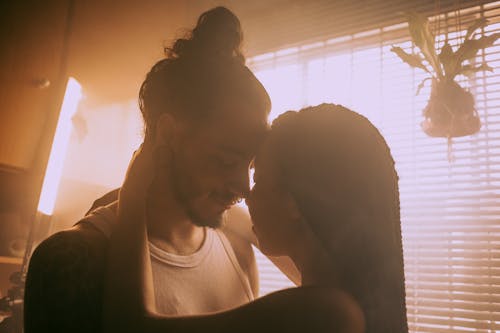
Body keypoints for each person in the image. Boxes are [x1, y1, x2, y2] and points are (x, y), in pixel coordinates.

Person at [24, 7, 287, 333]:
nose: (243, 188)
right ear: (167, 135)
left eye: (249, 165)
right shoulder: (73, 259)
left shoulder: (238, 245)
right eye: (226, 161)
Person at [103, 104, 407, 332]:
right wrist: (211, 203)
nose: (247, 194)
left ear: (293, 204)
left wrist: (133, 191)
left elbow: (129, 327)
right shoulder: (343, 287)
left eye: (258, 180)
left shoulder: (328, 312)